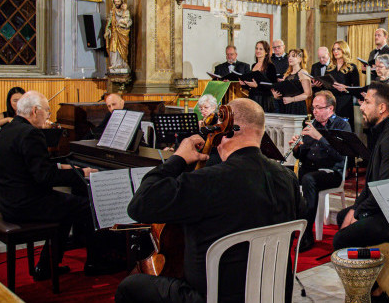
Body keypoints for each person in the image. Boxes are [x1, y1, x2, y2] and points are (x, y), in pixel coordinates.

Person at [115, 99, 304, 303]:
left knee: (130, 286)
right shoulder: (287, 178)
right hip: (273, 293)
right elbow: (301, 215)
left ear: (225, 131)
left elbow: (139, 205)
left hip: (212, 297)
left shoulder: (207, 180)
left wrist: (177, 158)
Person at [0, 91, 104, 280]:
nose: (48, 116)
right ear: (35, 111)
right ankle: (96, 262)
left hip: (9, 201)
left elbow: (30, 166)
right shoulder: (30, 133)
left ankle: (46, 265)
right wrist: (81, 173)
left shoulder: (7, 130)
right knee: (87, 206)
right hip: (27, 205)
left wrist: (65, 166)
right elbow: (46, 177)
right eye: (47, 111)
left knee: (66, 205)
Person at [333, 82, 389, 253]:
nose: (361, 107)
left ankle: (370, 278)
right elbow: (371, 184)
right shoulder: (383, 132)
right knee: (343, 215)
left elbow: (385, 190)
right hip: (383, 207)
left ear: (381, 108)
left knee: (341, 239)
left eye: (366, 102)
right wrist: (356, 208)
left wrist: (358, 214)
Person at [288, 91, 352, 252]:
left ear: (330, 109)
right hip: (310, 170)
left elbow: (340, 155)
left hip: (332, 172)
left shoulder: (341, 125)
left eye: (318, 107)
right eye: (313, 107)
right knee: (283, 176)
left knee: (309, 179)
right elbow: (302, 155)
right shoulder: (311, 124)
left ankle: (307, 234)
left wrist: (320, 138)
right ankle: (289, 228)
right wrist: (297, 148)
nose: (314, 111)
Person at [0, 86, 26, 210]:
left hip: (20, 159)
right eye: (15, 100)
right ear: (9, 101)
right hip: (3, 158)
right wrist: (7, 120)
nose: (17, 103)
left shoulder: (27, 117)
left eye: (21, 100)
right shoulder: (4, 115)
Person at [327, 40, 360, 125]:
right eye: (334, 49)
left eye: (338, 49)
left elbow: (357, 88)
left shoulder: (351, 67)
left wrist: (346, 88)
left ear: (344, 50)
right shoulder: (330, 68)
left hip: (345, 102)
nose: (335, 51)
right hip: (331, 101)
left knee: (343, 128)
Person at [273, 48, 312, 115]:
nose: (290, 58)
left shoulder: (303, 72)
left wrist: (292, 99)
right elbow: (284, 93)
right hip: (286, 106)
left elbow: (307, 94)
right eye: (289, 56)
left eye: (293, 56)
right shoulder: (287, 74)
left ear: (300, 59)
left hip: (297, 106)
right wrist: (277, 96)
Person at [243, 40, 279, 113]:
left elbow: (272, 85)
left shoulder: (270, 66)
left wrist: (257, 86)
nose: (258, 51)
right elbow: (252, 84)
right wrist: (245, 84)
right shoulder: (253, 65)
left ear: (266, 52)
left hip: (265, 100)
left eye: (261, 49)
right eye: (256, 48)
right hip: (253, 98)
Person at [105, 0, 132, 72]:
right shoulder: (112, 12)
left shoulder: (126, 11)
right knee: (113, 48)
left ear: (121, 2)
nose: (117, 3)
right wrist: (107, 31)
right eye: (115, 2)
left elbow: (129, 21)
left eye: (118, 2)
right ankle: (114, 64)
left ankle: (123, 63)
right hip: (114, 33)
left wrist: (124, 25)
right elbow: (109, 23)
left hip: (123, 33)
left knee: (123, 48)